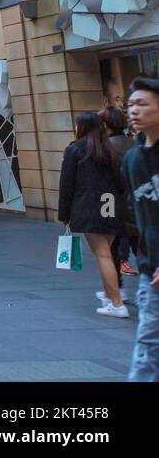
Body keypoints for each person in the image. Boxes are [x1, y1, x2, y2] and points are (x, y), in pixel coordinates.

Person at [59, 111, 128, 317]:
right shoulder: (110, 150)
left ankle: (117, 303)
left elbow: (66, 183)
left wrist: (64, 213)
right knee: (107, 252)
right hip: (112, 206)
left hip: (89, 207)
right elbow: (121, 183)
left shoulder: (76, 149)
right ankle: (109, 296)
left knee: (103, 255)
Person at [123, 77, 159, 381]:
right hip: (152, 272)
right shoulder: (132, 159)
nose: (134, 109)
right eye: (130, 104)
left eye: (142, 104)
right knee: (149, 343)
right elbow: (139, 214)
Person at [102, 105, 140, 277]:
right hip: (137, 204)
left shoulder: (104, 148)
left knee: (112, 251)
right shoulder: (135, 145)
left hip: (111, 204)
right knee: (141, 248)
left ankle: (116, 294)